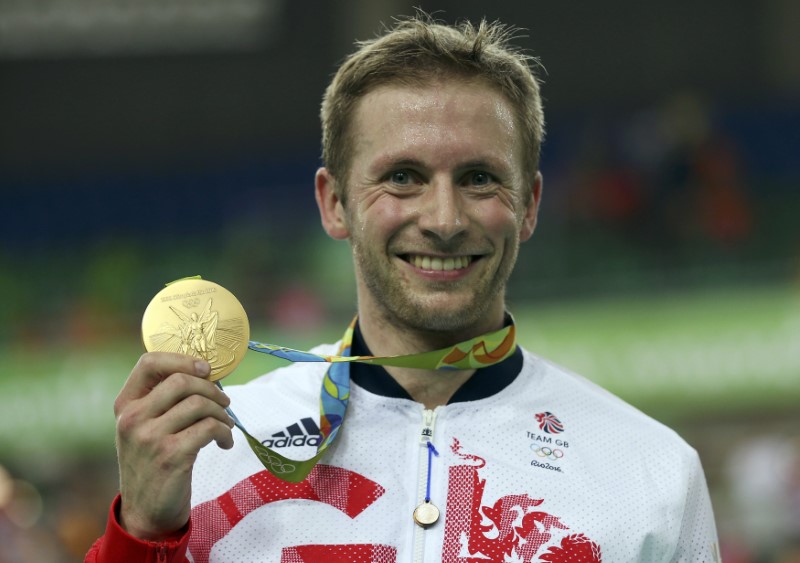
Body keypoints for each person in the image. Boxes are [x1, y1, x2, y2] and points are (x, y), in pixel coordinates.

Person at [86, 14, 719, 563]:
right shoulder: (212, 449)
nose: (444, 220)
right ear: (334, 204)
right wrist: (141, 534)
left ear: (528, 206)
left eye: (478, 178)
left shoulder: (651, 473)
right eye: (403, 177)